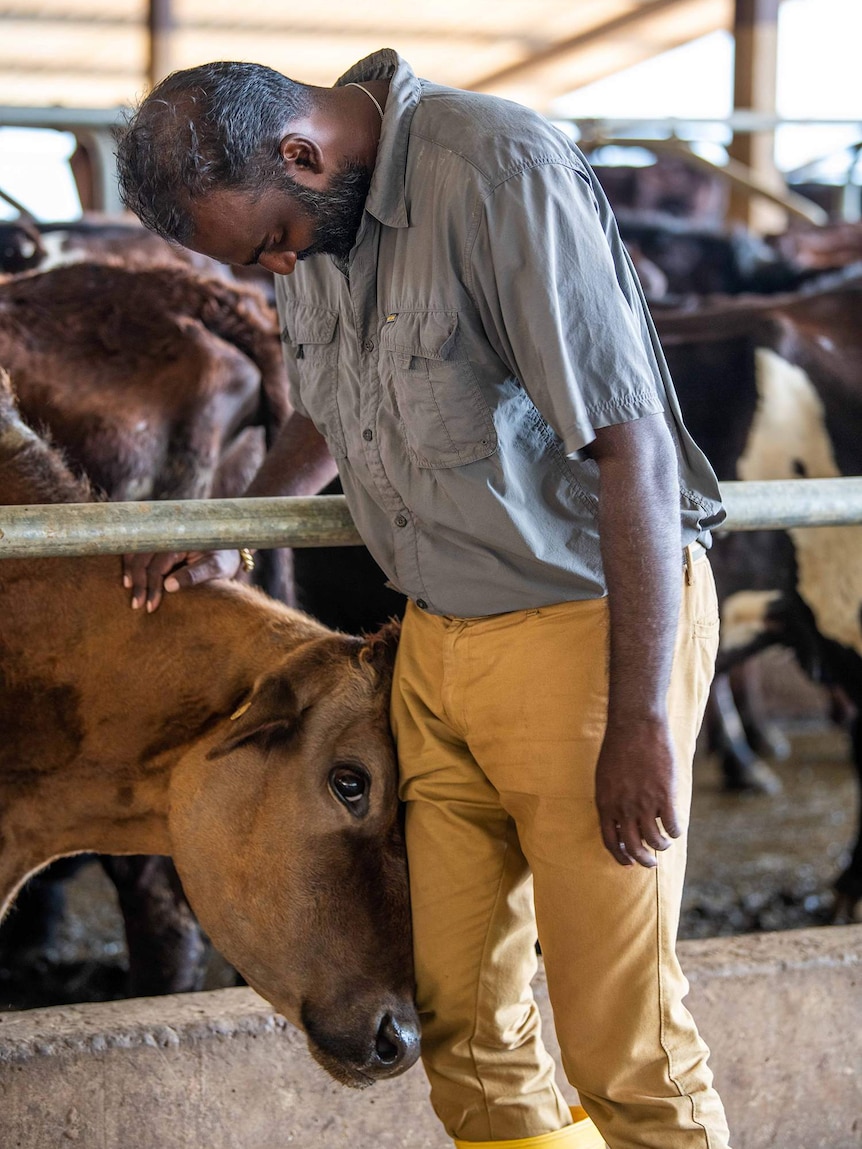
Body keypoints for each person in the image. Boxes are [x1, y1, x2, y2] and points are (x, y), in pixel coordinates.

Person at [116, 49, 732, 1149]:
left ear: (302, 153)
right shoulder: (317, 214)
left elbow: (631, 446)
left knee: (619, 1039)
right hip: (432, 645)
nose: (278, 264)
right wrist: (233, 525)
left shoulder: (494, 170)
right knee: (462, 1028)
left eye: (272, 243)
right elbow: (337, 402)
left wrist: (640, 719)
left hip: (581, 632)